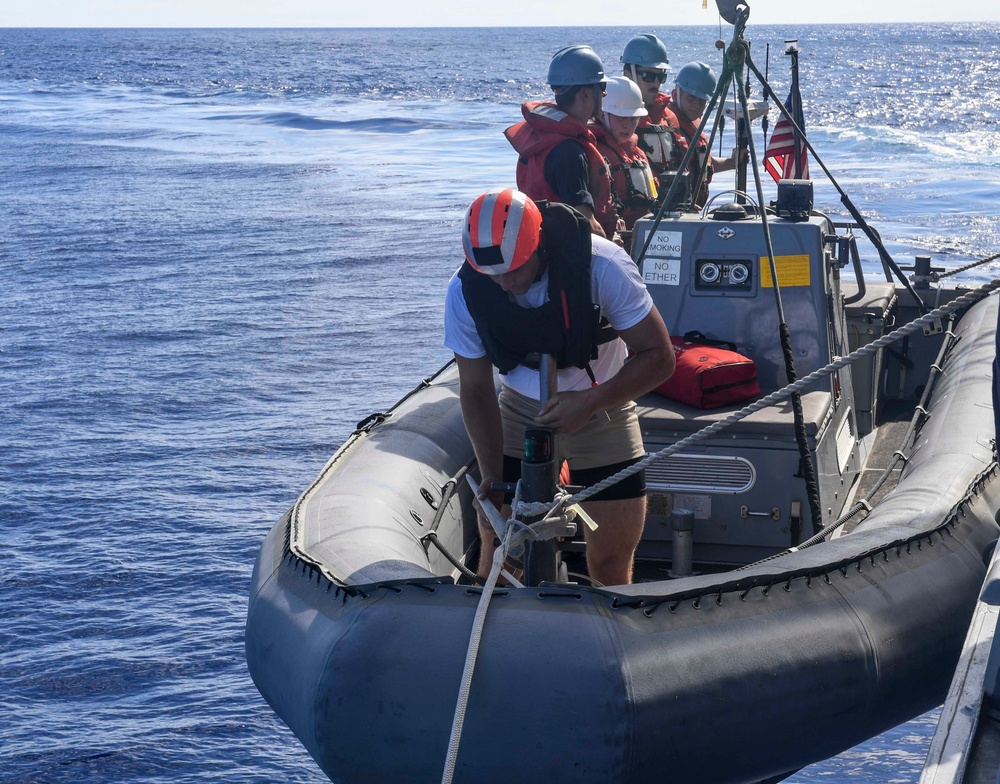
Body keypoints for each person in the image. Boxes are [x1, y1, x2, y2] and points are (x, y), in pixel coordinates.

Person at [444, 188, 674, 586]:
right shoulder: (466, 291)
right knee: (501, 553)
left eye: (514, 270)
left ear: (539, 246)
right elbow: (477, 388)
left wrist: (591, 400)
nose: (504, 284)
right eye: (492, 273)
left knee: (610, 559)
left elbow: (660, 357)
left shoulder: (603, 267)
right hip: (518, 411)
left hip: (604, 409)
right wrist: (491, 475)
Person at [504, 45, 617, 238]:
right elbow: (585, 222)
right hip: (567, 259)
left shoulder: (541, 139)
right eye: (602, 87)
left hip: (541, 250)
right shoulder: (571, 153)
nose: (605, 94)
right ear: (585, 93)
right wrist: (614, 248)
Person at [592, 76, 658, 250]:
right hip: (613, 246)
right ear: (601, 114)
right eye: (621, 118)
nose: (627, 125)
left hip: (643, 241)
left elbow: (654, 196)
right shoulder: (593, 154)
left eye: (633, 118)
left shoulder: (638, 154)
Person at [664, 61, 742, 207]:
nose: (696, 104)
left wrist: (732, 163)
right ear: (675, 95)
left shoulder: (694, 126)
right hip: (675, 211)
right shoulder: (665, 126)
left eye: (702, 101)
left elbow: (701, 164)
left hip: (694, 212)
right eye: (691, 98)